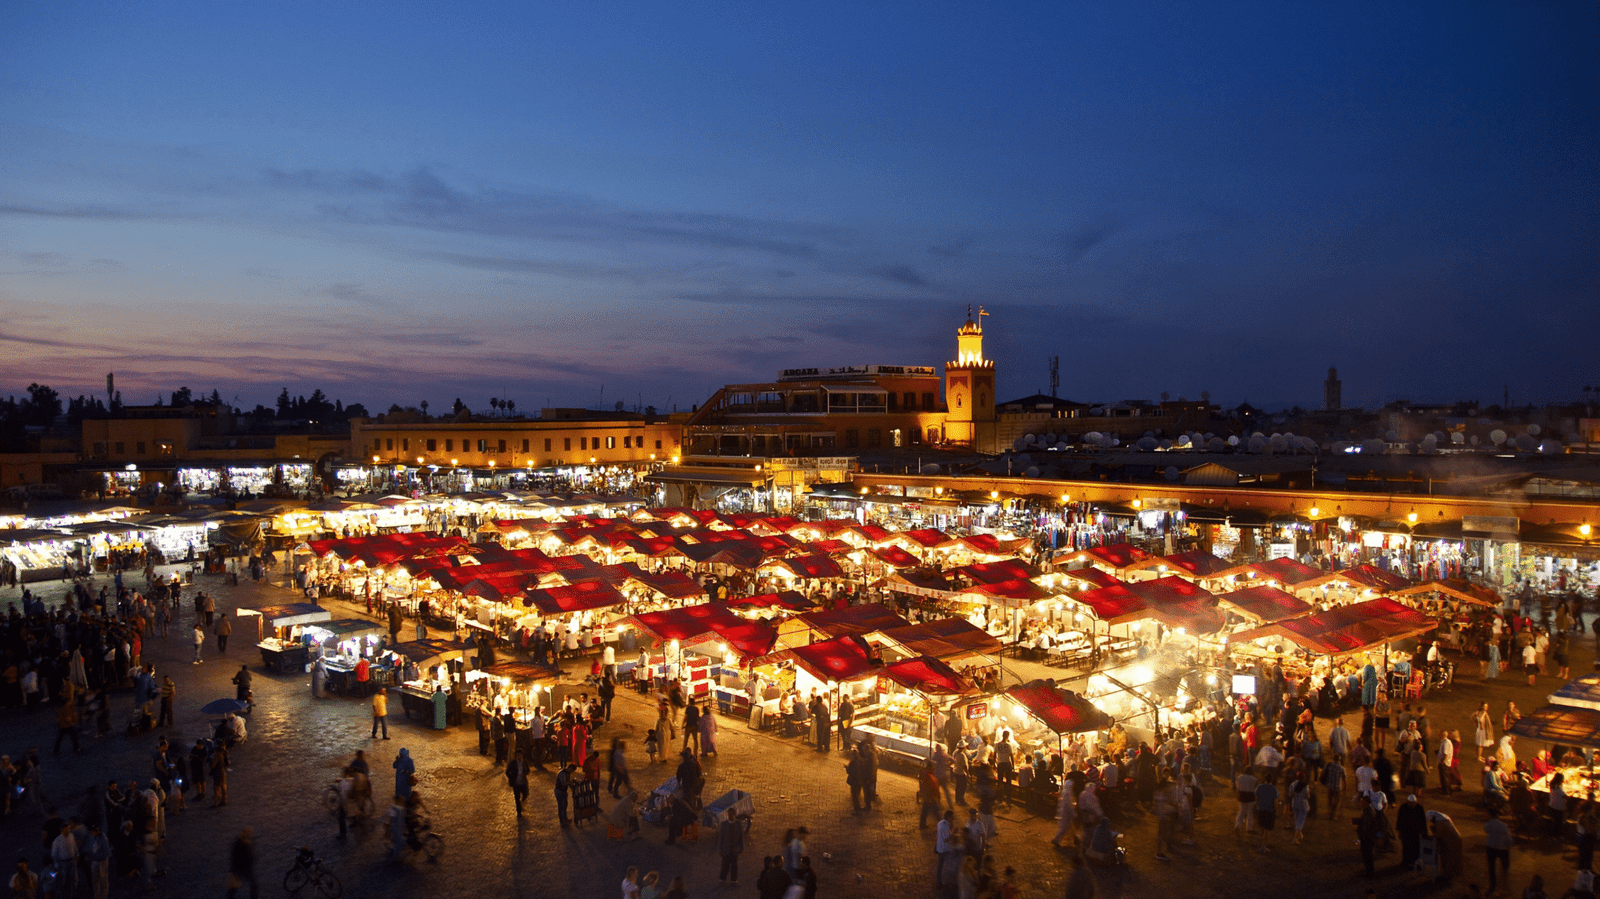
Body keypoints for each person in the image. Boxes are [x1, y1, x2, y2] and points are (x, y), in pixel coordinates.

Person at [1485, 808, 1513, 892]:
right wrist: (1509, 845)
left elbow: (1487, 830)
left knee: (1491, 868)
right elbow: (1509, 838)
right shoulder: (1503, 825)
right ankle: (1504, 885)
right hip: (1503, 848)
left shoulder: (1488, 825)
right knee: (1505, 867)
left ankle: (1493, 886)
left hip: (1491, 847)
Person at [225, 827, 257, 899]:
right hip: (241, 869)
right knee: (252, 885)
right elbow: (238, 857)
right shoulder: (241, 844)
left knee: (234, 887)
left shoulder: (244, 842)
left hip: (241, 869)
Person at [1396, 793, 1426, 868]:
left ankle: (1414, 863)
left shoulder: (1419, 808)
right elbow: (1400, 820)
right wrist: (1399, 831)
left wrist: (1423, 833)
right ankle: (1406, 862)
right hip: (1406, 832)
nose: (1412, 804)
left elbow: (1423, 822)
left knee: (1415, 849)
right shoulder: (1404, 807)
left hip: (1415, 833)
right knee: (1406, 848)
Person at [717, 806, 744, 884]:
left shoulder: (738, 824)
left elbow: (741, 837)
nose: (730, 816)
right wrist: (720, 849)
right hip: (726, 849)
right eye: (729, 814)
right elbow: (721, 838)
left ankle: (733, 879)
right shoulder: (724, 824)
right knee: (725, 865)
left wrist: (741, 847)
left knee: (734, 865)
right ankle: (722, 878)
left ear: (734, 814)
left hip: (734, 849)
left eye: (731, 814)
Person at [506, 751, 529, 817]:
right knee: (517, 798)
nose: (519, 756)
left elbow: (527, 770)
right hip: (516, 784)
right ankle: (519, 812)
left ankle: (522, 803)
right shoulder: (513, 763)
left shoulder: (524, 762)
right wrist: (511, 778)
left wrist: (525, 773)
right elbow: (507, 772)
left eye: (520, 755)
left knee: (525, 793)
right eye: (518, 755)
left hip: (523, 782)